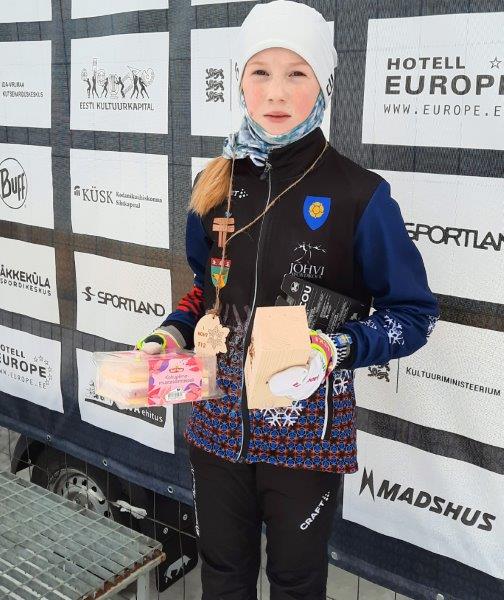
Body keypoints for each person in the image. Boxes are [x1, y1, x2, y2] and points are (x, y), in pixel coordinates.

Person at [137, 1, 440, 598]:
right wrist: (169, 334)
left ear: (322, 82)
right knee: (222, 576)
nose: (276, 92)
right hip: (217, 426)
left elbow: (414, 315)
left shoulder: (360, 195)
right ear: (239, 82)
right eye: (260, 72)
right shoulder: (214, 184)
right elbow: (208, 292)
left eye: (296, 73)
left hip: (306, 435)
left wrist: (334, 350)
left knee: (297, 583)